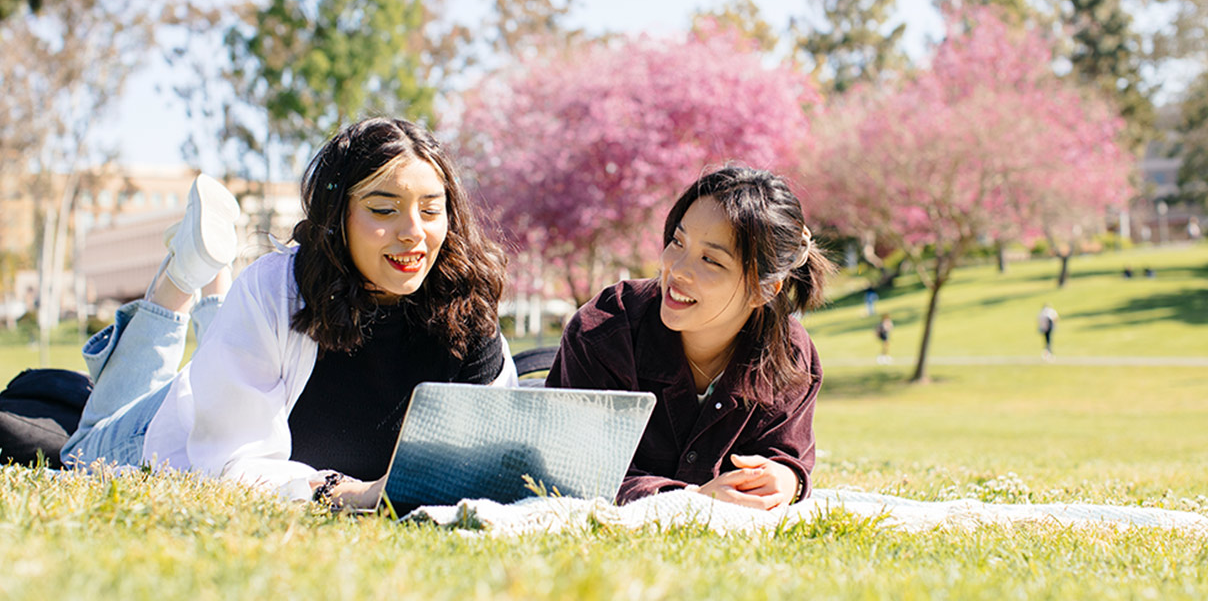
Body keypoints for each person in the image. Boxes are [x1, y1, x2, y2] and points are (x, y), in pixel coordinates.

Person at [60, 118, 516, 509]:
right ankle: (182, 276)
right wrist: (346, 493)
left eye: (431, 210)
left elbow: (498, 446)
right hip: (185, 422)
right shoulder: (277, 288)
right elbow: (231, 462)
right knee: (80, 449)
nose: (414, 233)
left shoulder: (467, 304)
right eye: (384, 209)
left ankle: (212, 277)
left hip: (234, 373)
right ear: (338, 215)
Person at [547, 166, 834, 510]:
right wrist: (689, 500)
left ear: (764, 290)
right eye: (677, 242)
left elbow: (788, 455)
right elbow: (573, 464)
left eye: (710, 260)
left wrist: (786, 480)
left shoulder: (789, 356)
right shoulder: (605, 330)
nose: (676, 269)